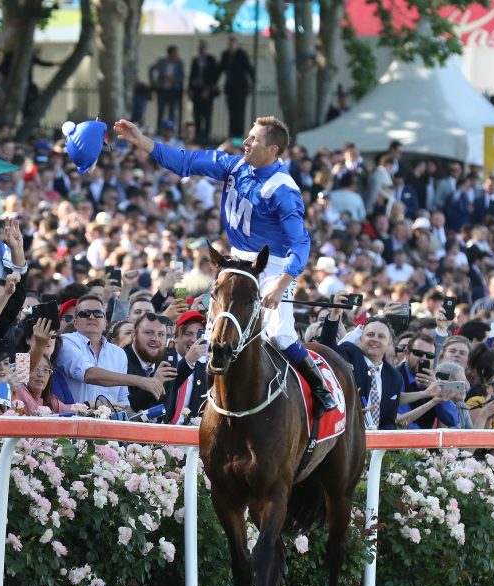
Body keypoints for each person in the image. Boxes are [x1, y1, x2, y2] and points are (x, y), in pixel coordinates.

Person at [115, 115, 337, 419]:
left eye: (254, 139)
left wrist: (281, 283)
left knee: (279, 335)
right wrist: (142, 142)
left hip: (272, 265)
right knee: (216, 330)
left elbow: (301, 243)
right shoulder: (234, 165)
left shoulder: (283, 189)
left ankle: (321, 388)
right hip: (237, 261)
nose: (245, 142)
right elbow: (186, 162)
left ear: (272, 149)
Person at [217, 37, 254, 139]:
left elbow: (248, 68)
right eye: (229, 44)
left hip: (241, 88)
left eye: (232, 44)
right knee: (231, 112)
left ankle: (238, 135)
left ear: (237, 45)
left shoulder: (242, 54)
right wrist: (214, 83)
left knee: (240, 112)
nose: (231, 46)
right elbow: (220, 69)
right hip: (230, 88)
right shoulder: (226, 55)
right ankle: (232, 135)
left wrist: (253, 81)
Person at [188, 40, 220, 145]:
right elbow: (192, 75)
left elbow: (214, 77)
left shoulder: (211, 60)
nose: (201, 50)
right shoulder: (195, 60)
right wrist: (190, 89)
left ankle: (206, 136)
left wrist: (208, 89)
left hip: (207, 91)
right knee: (196, 114)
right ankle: (197, 135)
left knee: (207, 115)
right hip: (197, 90)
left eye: (203, 48)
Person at [149, 45, 185, 134]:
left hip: (173, 92)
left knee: (172, 113)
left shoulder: (180, 63)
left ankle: (170, 132)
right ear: (170, 54)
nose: (176, 55)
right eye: (174, 53)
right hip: (162, 90)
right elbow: (151, 69)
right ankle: (159, 131)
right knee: (160, 112)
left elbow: (182, 77)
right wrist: (153, 83)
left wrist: (173, 79)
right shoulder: (162, 62)